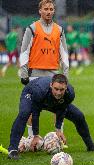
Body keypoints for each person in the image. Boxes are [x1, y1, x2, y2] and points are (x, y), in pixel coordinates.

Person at [8, 74, 94, 160]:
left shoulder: (70, 94)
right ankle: (12, 150)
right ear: (51, 85)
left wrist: (58, 129)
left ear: (66, 88)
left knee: (79, 116)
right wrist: (35, 135)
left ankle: (90, 145)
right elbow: (35, 112)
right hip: (31, 94)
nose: (58, 92)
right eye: (56, 89)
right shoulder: (40, 90)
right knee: (24, 113)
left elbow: (62, 109)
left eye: (61, 90)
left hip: (52, 101)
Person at [19, 0, 69, 136]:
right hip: (34, 73)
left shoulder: (59, 30)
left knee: (58, 107)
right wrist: (24, 74)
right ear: (40, 10)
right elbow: (24, 52)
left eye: (51, 9)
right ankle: (31, 138)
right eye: (46, 9)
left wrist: (65, 75)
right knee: (31, 108)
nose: (48, 12)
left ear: (54, 11)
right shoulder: (32, 28)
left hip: (53, 74)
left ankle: (59, 137)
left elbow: (64, 54)